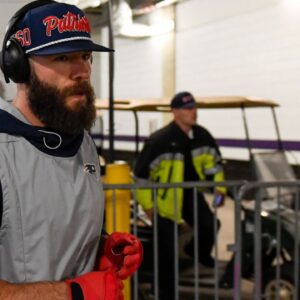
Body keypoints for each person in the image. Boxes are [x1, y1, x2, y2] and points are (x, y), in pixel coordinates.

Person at [0, 1, 143, 299]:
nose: (82, 72)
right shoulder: (4, 153)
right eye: (63, 57)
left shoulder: (83, 144)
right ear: (18, 65)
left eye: (85, 56)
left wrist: (101, 248)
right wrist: (72, 293)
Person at [134, 91, 226, 300]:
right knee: (166, 252)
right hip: (165, 202)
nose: (193, 112)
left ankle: (197, 253)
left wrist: (219, 190)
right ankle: (164, 293)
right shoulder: (159, 140)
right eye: (188, 108)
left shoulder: (203, 136)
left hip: (190, 194)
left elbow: (215, 165)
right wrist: (148, 206)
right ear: (174, 112)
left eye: (194, 107)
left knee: (210, 225)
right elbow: (140, 177)